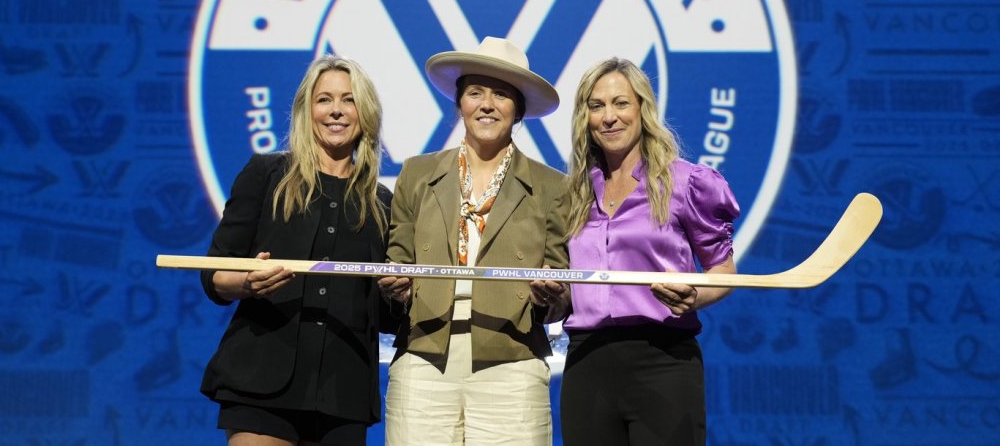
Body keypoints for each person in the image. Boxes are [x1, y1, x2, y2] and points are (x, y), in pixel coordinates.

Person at [378, 37, 569, 446]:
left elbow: (562, 289)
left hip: (512, 361)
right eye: (475, 92)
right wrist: (397, 287)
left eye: (501, 94)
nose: (487, 105)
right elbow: (398, 260)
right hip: (423, 358)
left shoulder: (553, 187)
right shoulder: (416, 174)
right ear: (460, 102)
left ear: (518, 109)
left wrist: (551, 296)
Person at [199, 56, 393, 446]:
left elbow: (386, 315)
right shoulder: (265, 175)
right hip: (260, 382)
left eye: (349, 100)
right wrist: (247, 283)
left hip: (343, 391)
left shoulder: (383, 203)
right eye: (324, 99)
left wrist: (398, 294)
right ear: (307, 111)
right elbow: (214, 274)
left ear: (366, 114)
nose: (336, 110)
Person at [550, 57, 740, 446]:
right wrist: (554, 296)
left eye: (621, 103)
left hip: (663, 360)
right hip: (587, 362)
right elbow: (573, 287)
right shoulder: (573, 193)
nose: (609, 117)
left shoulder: (686, 183)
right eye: (596, 106)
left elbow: (724, 272)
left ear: (643, 109)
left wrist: (693, 296)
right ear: (585, 117)